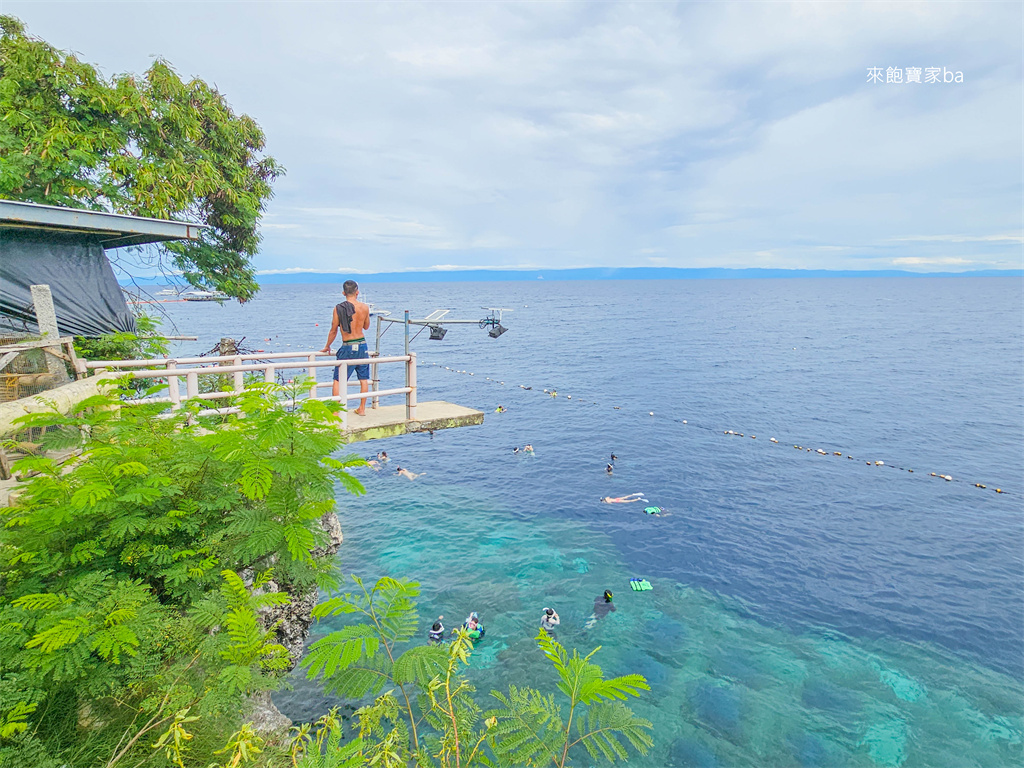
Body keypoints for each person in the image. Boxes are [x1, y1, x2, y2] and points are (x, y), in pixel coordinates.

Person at [320, 280, 371, 416]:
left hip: (348, 345)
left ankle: (336, 410)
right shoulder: (365, 307)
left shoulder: (338, 308)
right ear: (357, 292)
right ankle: (362, 408)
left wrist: (327, 346)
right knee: (363, 378)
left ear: (343, 293)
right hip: (362, 344)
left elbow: (333, 330)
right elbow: (366, 326)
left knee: (338, 379)